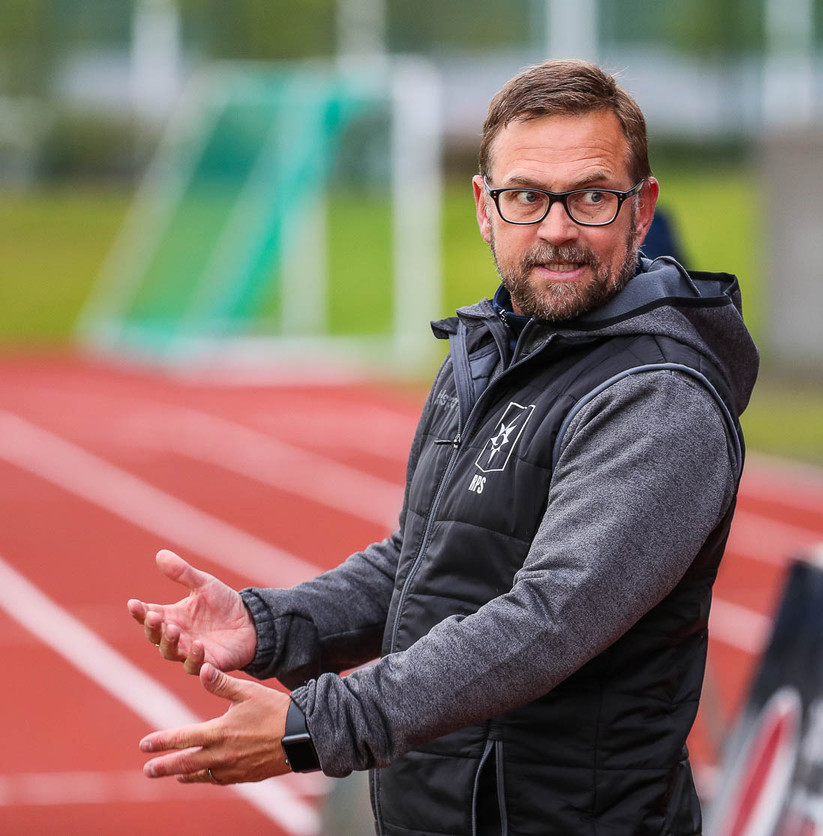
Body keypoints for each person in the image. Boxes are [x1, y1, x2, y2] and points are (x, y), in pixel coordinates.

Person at [128, 59, 758, 836]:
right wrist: (272, 625)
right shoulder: (488, 351)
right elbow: (423, 559)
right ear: (485, 209)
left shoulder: (656, 399)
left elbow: (545, 623)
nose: (557, 228)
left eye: (592, 196)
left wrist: (313, 725)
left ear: (642, 208)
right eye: (526, 196)